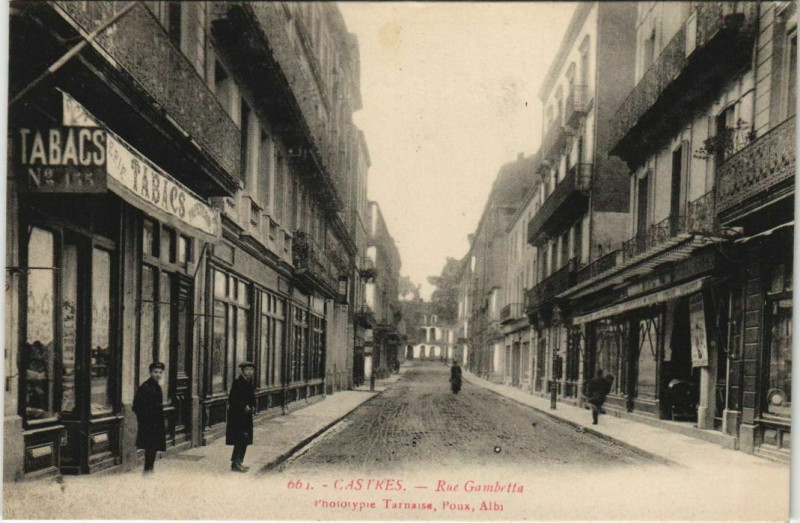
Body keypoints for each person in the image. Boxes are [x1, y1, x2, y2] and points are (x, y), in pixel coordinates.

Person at [133, 362, 166, 474]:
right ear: (150, 372)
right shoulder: (145, 387)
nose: (158, 374)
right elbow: (136, 406)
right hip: (149, 423)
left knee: (153, 447)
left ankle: (149, 469)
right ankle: (147, 470)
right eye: (155, 372)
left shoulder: (156, 386)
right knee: (150, 447)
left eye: (160, 372)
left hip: (156, 423)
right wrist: (145, 419)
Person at [227, 361, 255, 472]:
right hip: (238, 416)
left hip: (246, 416)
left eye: (251, 370)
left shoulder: (248, 382)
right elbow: (233, 399)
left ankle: (239, 462)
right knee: (240, 439)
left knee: (245, 439)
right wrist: (244, 406)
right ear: (242, 371)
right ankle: (236, 463)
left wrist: (253, 406)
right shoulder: (238, 382)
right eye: (247, 369)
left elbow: (251, 397)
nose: (250, 372)